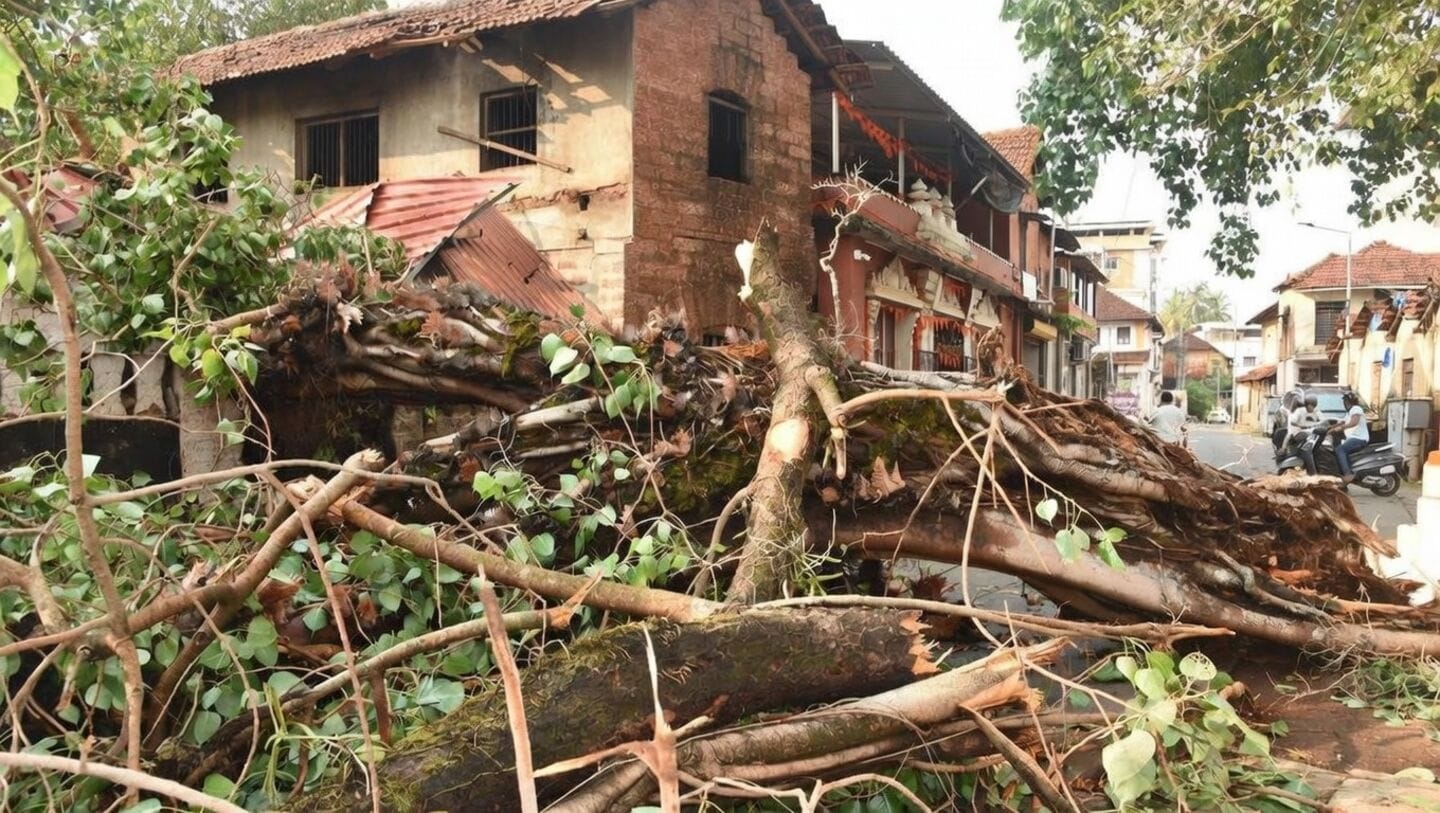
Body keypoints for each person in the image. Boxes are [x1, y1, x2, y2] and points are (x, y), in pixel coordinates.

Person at [1328, 391, 1369, 485]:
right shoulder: (1350, 412)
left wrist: (1341, 428)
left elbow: (1354, 422)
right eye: (1344, 402)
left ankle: (1348, 474)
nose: (1345, 403)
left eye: (1346, 401)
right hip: (1353, 439)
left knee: (1340, 450)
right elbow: (1342, 422)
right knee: (1336, 450)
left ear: (1351, 401)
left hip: (1359, 439)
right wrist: (1328, 430)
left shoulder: (1356, 408)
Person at [1286, 394, 1324, 474]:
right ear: (1308, 404)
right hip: (1298, 434)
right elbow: (1293, 422)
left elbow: (1323, 419)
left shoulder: (1315, 411)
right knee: (1307, 451)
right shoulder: (1300, 411)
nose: (1312, 408)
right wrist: (1303, 425)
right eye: (1311, 406)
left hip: (1305, 434)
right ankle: (1312, 473)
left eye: (1313, 406)